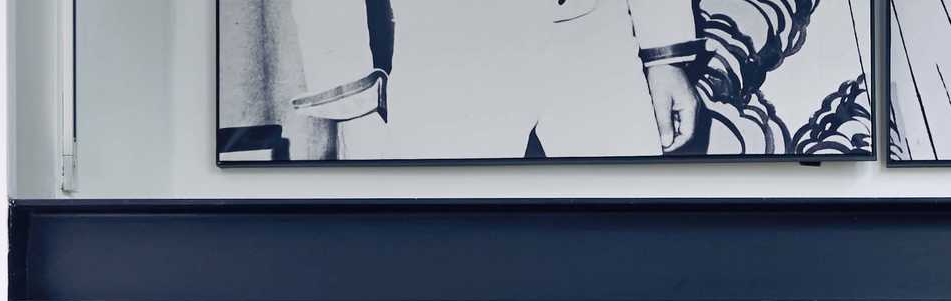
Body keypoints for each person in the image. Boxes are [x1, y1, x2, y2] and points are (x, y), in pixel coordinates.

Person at [286, 0, 706, 159]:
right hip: (452, 50)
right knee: (444, 274)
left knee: (623, 264)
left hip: (598, 39)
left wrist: (664, 52)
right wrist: (353, 102)